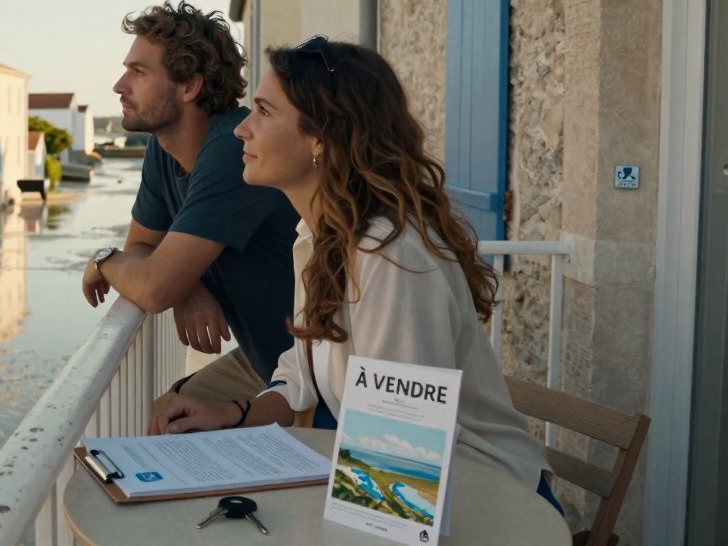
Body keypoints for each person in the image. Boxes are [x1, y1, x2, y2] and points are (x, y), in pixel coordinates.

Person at [151, 36, 562, 512]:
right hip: (399, 491)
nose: (242, 129)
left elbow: (400, 441)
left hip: (484, 502)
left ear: (320, 138)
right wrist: (229, 413)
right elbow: (300, 377)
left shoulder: (388, 256)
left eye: (263, 111)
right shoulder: (318, 236)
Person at [80, 1, 301, 422]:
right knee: (158, 418)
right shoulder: (163, 149)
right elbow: (142, 247)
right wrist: (187, 285)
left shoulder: (236, 149)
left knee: (170, 425)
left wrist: (104, 259)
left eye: (138, 72)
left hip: (312, 372)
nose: (119, 86)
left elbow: (152, 287)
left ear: (189, 86)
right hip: (267, 360)